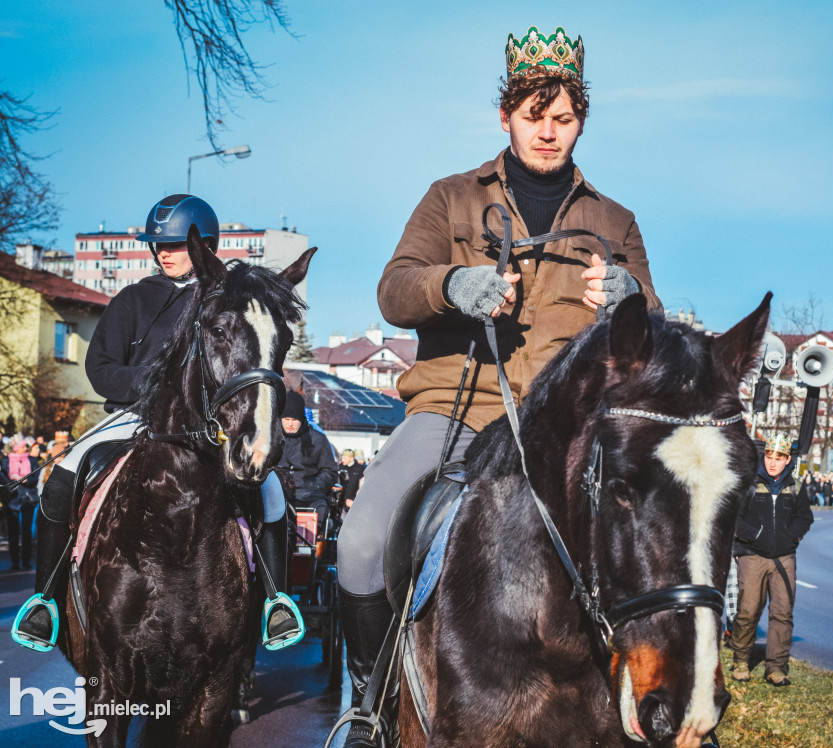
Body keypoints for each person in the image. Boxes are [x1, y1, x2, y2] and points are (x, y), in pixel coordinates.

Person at [335, 24, 660, 747]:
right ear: (506, 116)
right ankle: (364, 702)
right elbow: (394, 291)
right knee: (360, 542)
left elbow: (653, 331)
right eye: (534, 116)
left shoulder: (616, 221)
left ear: (581, 122)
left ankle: (659, 705)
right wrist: (453, 284)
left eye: (564, 118)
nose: (549, 132)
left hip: (567, 428)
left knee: (653, 541)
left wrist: (632, 295)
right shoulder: (450, 197)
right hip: (456, 405)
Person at [12, 194, 301, 651]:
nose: (162, 252)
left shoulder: (225, 299)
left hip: (207, 423)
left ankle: (274, 601)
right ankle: (44, 601)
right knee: (64, 473)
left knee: (270, 489)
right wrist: (152, 389)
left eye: (174, 245)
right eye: (156, 244)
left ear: (204, 246)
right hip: (133, 415)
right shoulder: (133, 299)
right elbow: (100, 368)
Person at [730, 433, 814, 687]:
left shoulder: (796, 487)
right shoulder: (749, 484)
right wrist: (755, 536)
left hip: (784, 560)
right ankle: (741, 661)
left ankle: (776, 668)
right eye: (769, 456)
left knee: (782, 613)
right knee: (748, 610)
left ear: (788, 459)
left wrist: (792, 537)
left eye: (778, 458)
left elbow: (805, 518)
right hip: (752, 556)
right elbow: (734, 519)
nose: (772, 463)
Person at [279, 390, 337, 532]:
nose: (290, 424)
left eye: (294, 420)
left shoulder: (317, 439)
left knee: (320, 509)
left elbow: (330, 470)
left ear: (301, 419)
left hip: (309, 494)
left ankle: (313, 547)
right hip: (278, 492)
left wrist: (313, 485)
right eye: (286, 419)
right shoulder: (273, 439)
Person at [2, 437, 39, 571]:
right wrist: (14, 480)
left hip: (28, 498)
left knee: (27, 531)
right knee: (13, 532)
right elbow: (4, 477)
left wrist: (26, 480)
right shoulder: (6, 460)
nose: (26, 448)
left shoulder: (32, 460)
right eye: (23, 446)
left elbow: (36, 477)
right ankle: (15, 561)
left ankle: (26, 560)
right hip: (12, 499)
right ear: (17, 448)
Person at [337, 448, 365, 516]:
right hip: (341, 501)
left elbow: (362, 486)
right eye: (342, 458)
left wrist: (355, 501)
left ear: (351, 458)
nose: (343, 460)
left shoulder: (359, 468)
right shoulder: (340, 467)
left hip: (353, 501)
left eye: (345, 458)